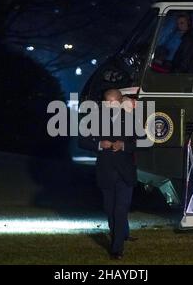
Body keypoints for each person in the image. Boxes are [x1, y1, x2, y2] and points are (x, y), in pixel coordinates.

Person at [78, 89, 138, 260]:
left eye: (114, 102)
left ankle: (116, 248)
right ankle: (121, 234)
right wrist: (99, 144)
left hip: (125, 172)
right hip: (105, 171)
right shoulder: (95, 119)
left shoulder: (131, 119)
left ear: (120, 102)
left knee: (120, 210)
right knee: (110, 210)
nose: (111, 106)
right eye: (108, 102)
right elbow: (81, 141)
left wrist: (124, 146)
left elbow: (145, 142)